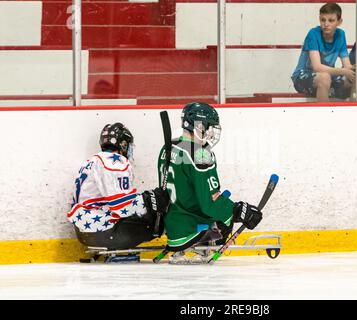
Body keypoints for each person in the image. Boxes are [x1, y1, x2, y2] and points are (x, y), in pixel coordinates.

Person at [157, 102, 263, 264]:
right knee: (225, 218)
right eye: (209, 127)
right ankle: (206, 242)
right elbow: (209, 202)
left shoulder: (167, 148)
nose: (211, 132)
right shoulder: (200, 154)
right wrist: (237, 210)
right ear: (199, 125)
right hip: (192, 228)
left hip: (172, 227)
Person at [67, 122, 170, 250]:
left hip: (85, 231)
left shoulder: (91, 161)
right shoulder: (115, 161)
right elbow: (121, 206)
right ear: (123, 144)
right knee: (156, 219)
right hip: (104, 231)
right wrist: (150, 200)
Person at [291, 2, 354, 102]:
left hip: (329, 77)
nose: (326, 24)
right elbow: (317, 67)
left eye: (331, 20)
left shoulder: (340, 35)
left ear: (339, 21)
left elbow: (347, 65)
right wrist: (344, 71)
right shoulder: (313, 34)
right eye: (323, 20)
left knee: (354, 80)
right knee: (324, 77)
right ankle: (324, 115)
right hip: (303, 77)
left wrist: (354, 72)